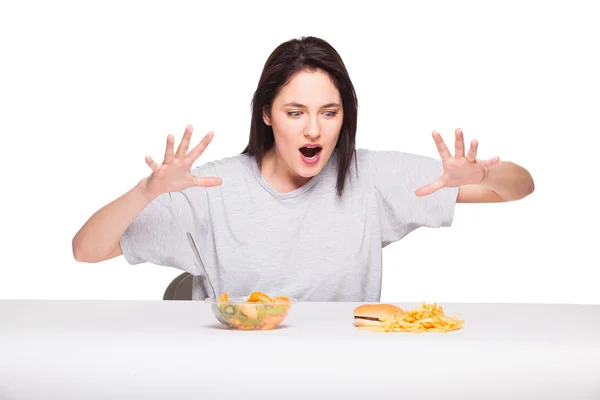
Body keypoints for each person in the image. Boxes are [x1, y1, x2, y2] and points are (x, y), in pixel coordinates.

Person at [72, 36, 534, 302]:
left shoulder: (369, 178)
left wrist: (484, 176)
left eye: (329, 113)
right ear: (267, 115)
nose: (313, 130)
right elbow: (87, 250)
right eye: (295, 112)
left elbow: (518, 188)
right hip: (228, 375)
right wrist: (145, 191)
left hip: (340, 375)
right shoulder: (212, 187)